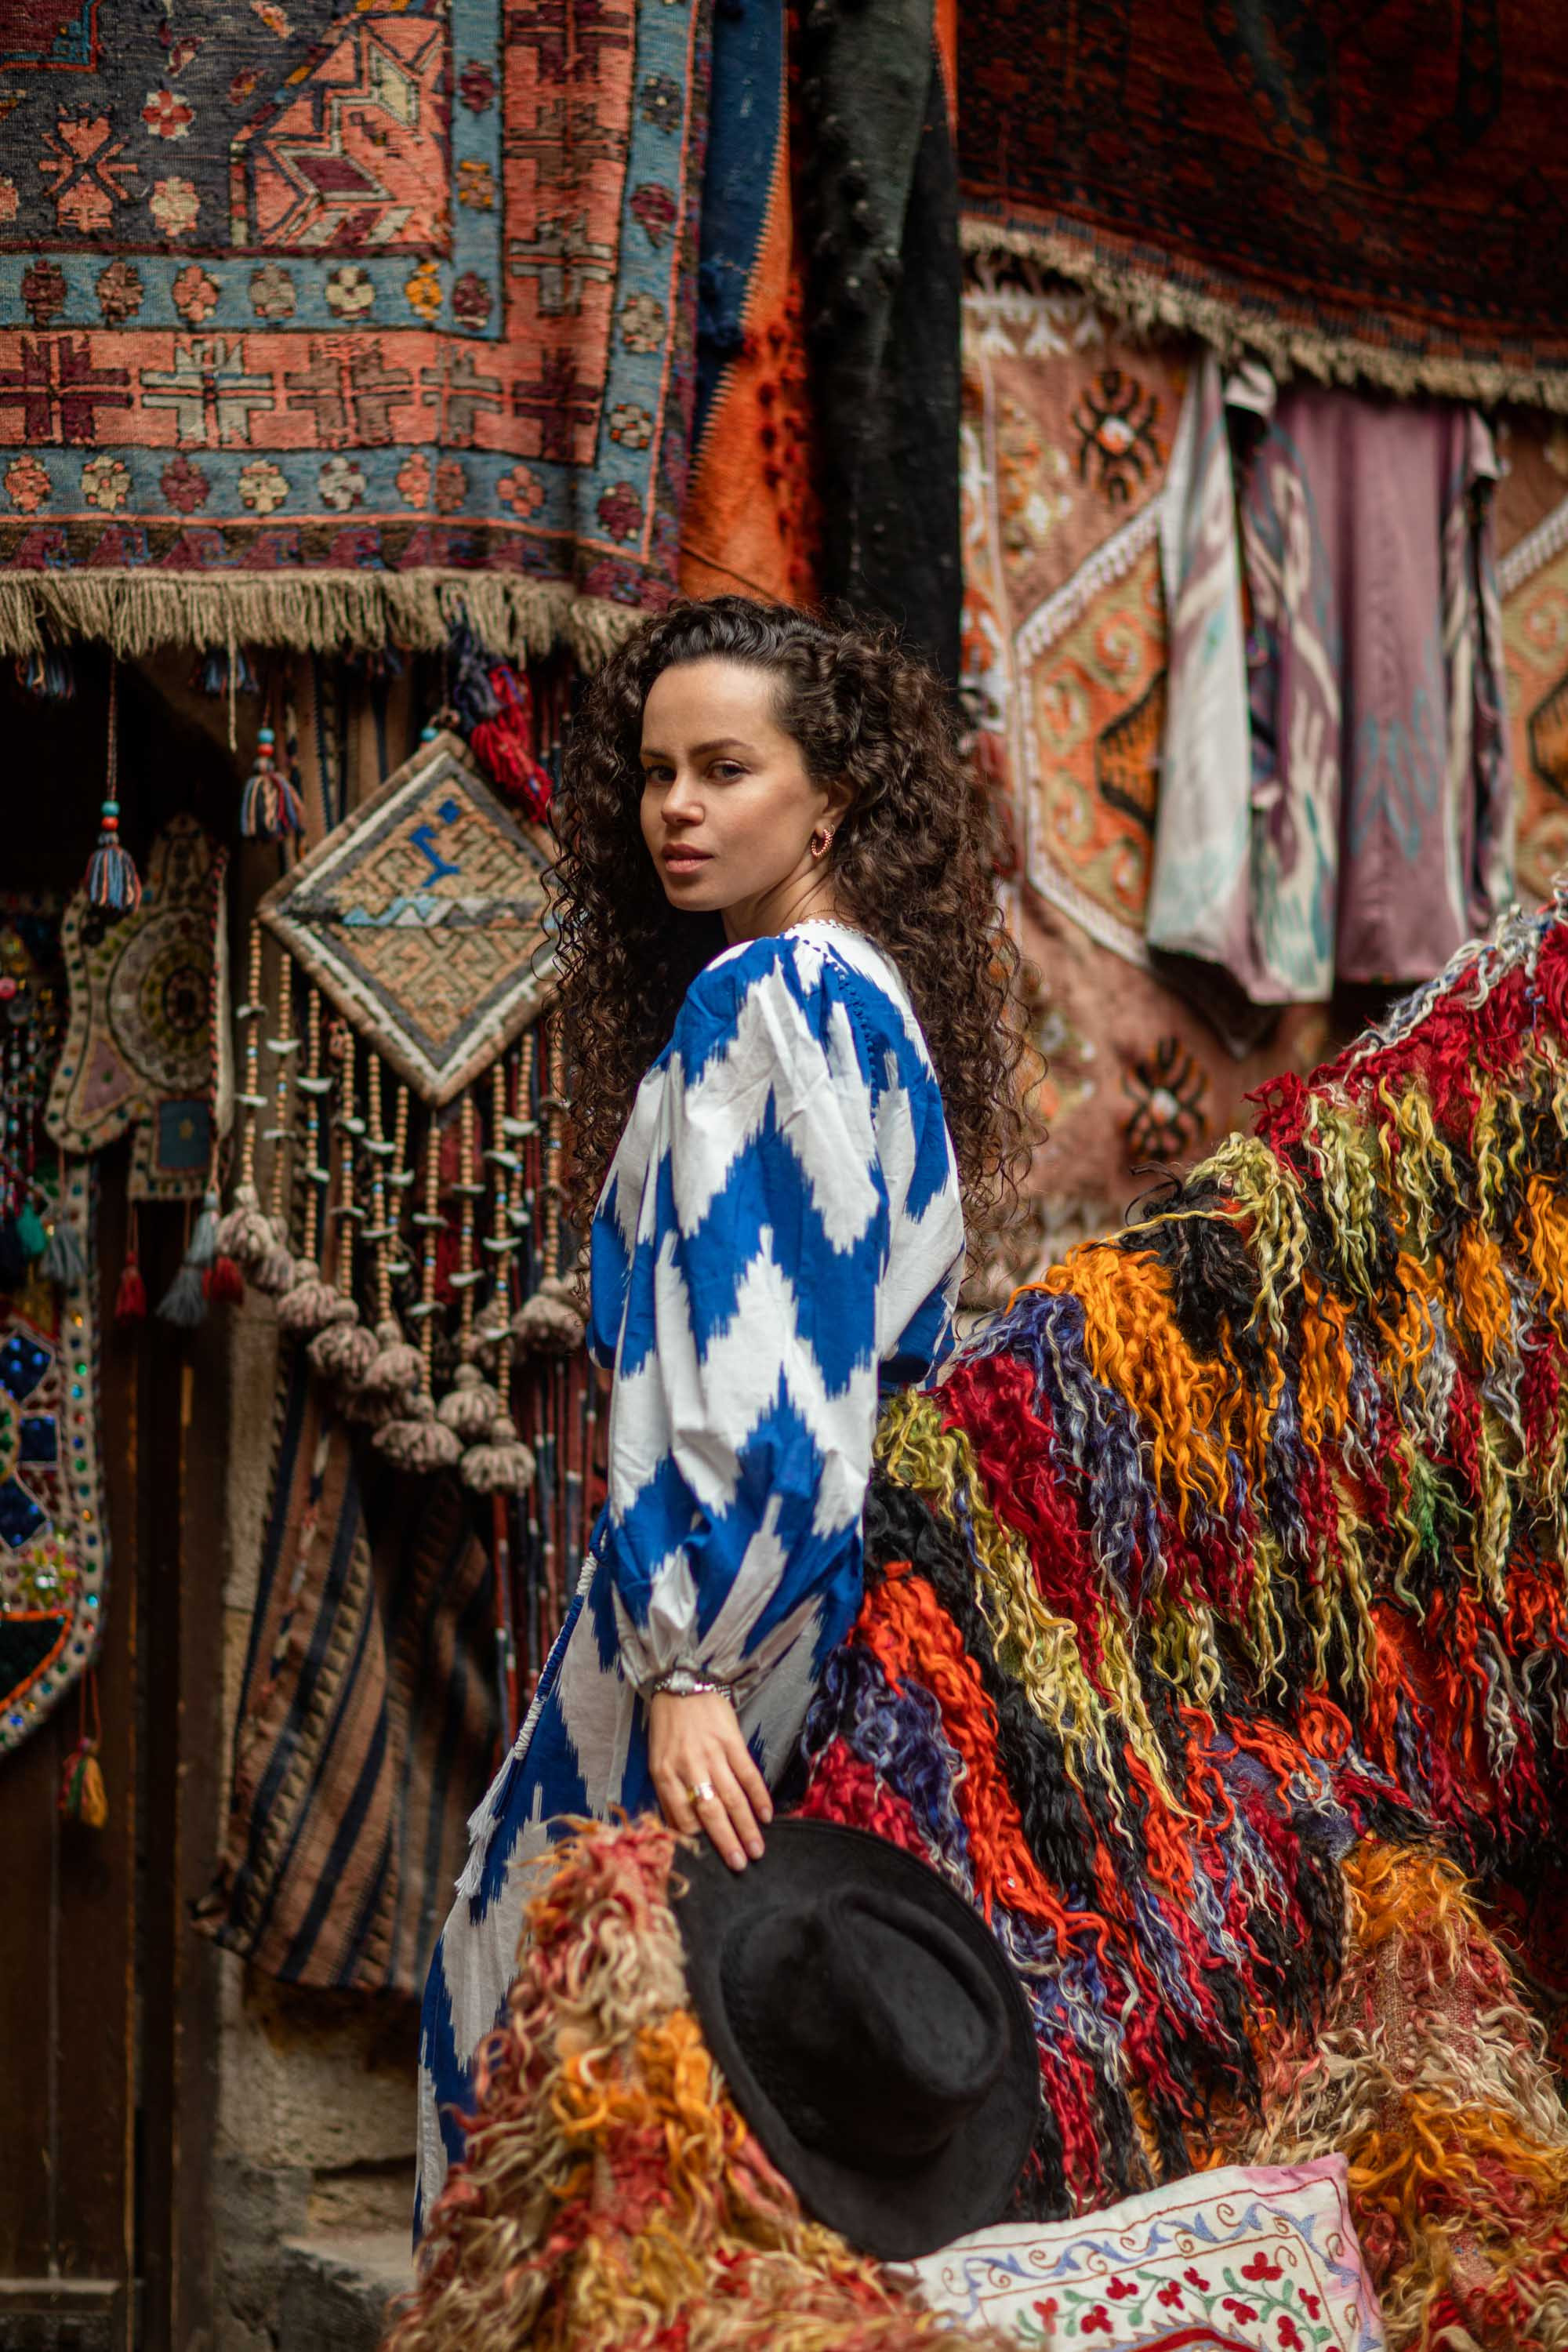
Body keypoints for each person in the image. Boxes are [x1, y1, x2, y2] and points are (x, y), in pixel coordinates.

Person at [416, 596, 1029, 2222]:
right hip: (800, 1614)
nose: (675, 806)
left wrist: (688, 1658)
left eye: (725, 769)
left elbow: (767, 1374)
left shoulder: (767, 1003)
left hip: (714, 1636)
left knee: (543, 2030)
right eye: (653, 773)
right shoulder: (860, 999)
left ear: (826, 800)